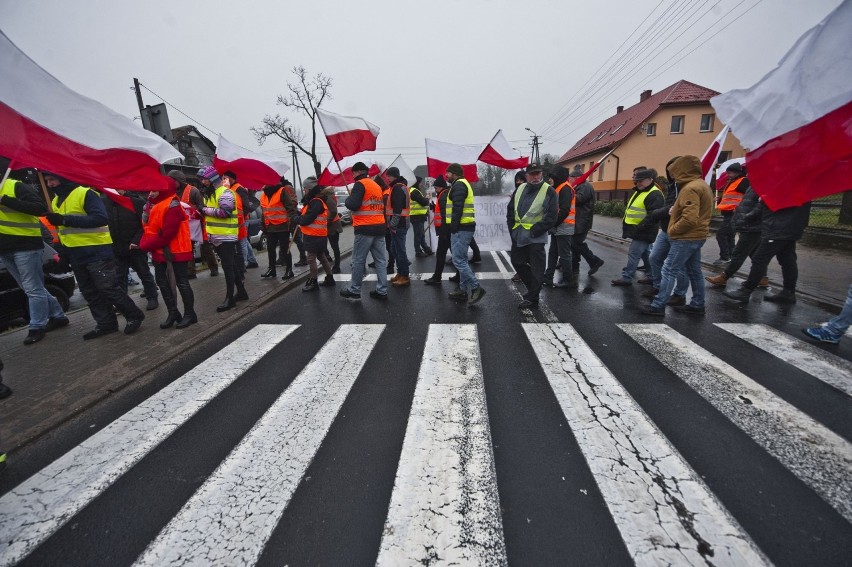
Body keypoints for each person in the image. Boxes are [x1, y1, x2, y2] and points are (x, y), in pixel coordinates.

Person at [44, 172, 145, 337]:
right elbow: (63, 232)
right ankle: (106, 324)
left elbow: (100, 218)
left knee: (108, 288)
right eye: (47, 180)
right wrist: (62, 254)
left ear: (63, 178)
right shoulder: (56, 201)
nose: (49, 184)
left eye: (52, 179)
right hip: (76, 254)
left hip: (96, 251)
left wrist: (64, 220)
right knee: (90, 292)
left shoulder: (85, 193)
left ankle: (133, 315)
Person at [0, 161, 68, 345]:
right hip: (4, 250)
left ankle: (36, 326)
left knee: (32, 288)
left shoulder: (13, 185)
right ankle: (58, 315)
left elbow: (39, 208)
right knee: (29, 287)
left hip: (26, 246)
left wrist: (5, 200)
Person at [641, 155, 713, 316]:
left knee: (669, 270)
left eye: (675, 171)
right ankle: (697, 304)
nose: (673, 175)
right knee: (695, 272)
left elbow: (689, 218)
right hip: (697, 236)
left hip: (685, 237)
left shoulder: (689, 188)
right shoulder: (702, 185)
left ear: (683, 170)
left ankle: (658, 305)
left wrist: (672, 230)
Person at [722, 199, 811, 304]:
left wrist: (746, 216)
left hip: (777, 227)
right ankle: (788, 292)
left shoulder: (781, 188)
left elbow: (765, 207)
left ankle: (746, 290)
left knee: (759, 259)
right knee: (787, 260)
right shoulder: (802, 192)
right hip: (791, 228)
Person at [139, 182, 197, 329]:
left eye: (154, 190)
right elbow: (149, 228)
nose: (150, 193)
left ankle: (190, 314)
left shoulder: (173, 204)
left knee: (181, 282)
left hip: (175, 250)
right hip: (160, 251)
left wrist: (146, 245)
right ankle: (173, 312)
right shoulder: (152, 205)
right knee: (162, 282)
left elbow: (168, 232)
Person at [705, 174, 769, 289]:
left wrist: (746, 216)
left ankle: (724, 277)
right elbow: (745, 202)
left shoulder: (760, 186)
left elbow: (760, 206)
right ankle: (763, 278)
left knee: (739, 253)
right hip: (749, 224)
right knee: (755, 254)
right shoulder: (752, 185)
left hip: (752, 226)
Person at [506, 162, 556, 308]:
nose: (535, 177)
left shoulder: (549, 191)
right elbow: (510, 210)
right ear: (527, 175)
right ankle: (534, 289)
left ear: (541, 174)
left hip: (536, 237)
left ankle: (532, 298)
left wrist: (535, 230)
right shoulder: (520, 188)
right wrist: (512, 229)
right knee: (517, 262)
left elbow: (551, 217)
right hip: (519, 235)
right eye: (532, 174)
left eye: (538, 173)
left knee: (537, 268)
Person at [198, 165, 248, 311]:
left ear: (212, 179)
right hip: (218, 236)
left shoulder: (224, 193)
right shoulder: (213, 194)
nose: (203, 182)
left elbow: (225, 212)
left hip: (226, 236)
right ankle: (242, 292)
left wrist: (204, 210)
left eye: (205, 179)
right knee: (231, 265)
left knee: (228, 268)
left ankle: (230, 298)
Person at [641, 156, 689, 304]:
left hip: (680, 231)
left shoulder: (686, 186)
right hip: (666, 229)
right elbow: (669, 206)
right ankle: (657, 286)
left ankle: (679, 294)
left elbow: (675, 207)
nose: (672, 173)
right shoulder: (672, 185)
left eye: (674, 169)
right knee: (654, 258)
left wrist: (656, 214)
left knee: (678, 266)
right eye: (669, 170)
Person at [104, 189, 159, 311]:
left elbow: (144, 224)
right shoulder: (106, 202)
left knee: (143, 272)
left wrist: (136, 241)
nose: (118, 190)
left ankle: (152, 297)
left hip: (135, 246)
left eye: (120, 187)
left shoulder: (136, 202)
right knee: (120, 277)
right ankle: (123, 304)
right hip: (117, 247)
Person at [341, 162, 389, 300]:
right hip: (379, 226)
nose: (352, 175)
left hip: (365, 228)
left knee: (358, 260)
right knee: (380, 260)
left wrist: (348, 200)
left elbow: (353, 205)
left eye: (353, 173)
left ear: (357, 172)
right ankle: (382, 290)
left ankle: (355, 290)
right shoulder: (376, 186)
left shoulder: (360, 184)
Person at [611, 168, 663, 286]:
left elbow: (652, 216)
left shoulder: (654, 194)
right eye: (637, 180)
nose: (638, 183)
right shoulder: (641, 190)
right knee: (645, 254)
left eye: (641, 181)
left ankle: (627, 277)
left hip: (644, 231)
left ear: (650, 180)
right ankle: (651, 276)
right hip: (640, 230)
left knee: (634, 254)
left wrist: (639, 228)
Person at [445, 163, 486, 305]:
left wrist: (454, 227)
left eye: (448, 173)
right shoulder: (461, 184)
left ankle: (476, 287)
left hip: (461, 228)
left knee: (458, 260)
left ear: (454, 173)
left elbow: (457, 207)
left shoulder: (459, 185)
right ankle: (462, 290)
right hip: (463, 227)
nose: (446, 175)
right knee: (461, 259)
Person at [169, 170, 216, 278]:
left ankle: (213, 268)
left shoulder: (193, 191)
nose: (171, 183)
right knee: (188, 248)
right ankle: (190, 272)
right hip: (185, 225)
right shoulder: (173, 192)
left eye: (173, 181)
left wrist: (192, 209)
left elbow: (202, 206)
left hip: (198, 223)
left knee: (206, 247)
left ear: (178, 181)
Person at [293, 177, 335, 291]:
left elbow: (307, 219)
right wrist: (299, 214)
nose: (304, 190)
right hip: (319, 235)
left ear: (310, 189)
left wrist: (297, 219)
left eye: (305, 188)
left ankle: (314, 282)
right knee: (322, 257)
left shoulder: (315, 201)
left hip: (314, 235)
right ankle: (330, 278)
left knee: (311, 259)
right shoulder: (316, 201)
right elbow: (307, 215)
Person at [542, 165, 577, 288]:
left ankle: (568, 280)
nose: (550, 180)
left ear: (558, 177)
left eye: (552, 177)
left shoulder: (565, 189)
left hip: (564, 226)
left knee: (564, 255)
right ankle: (548, 277)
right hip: (559, 226)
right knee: (553, 253)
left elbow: (564, 210)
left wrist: (553, 223)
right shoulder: (559, 188)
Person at [568, 166, 605, 276]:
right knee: (574, 244)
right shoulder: (580, 185)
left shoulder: (584, 186)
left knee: (576, 243)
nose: (569, 180)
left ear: (576, 178)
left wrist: (567, 194)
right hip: (579, 220)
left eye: (570, 178)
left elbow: (579, 199)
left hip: (582, 221)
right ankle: (575, 266)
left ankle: (594, 261)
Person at [259, 181, 296, 280]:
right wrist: (263, 224)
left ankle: (289, 270)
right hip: (270, 226)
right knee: (270, 249)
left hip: (283, 226)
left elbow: (290, 208)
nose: (263, 184)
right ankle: (272, 269)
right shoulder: (263, 195)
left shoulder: (281, 191)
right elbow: (264, 211)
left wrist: (291, 222)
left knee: (284, 249)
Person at [222, 170, 258, 270]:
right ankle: (251, 260)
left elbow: (246, 206)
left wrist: (241, 217)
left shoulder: (239, 189)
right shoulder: (231, 188)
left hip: (241, 219)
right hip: (237, 219)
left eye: (225, 178)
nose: (224, 180)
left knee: (242, 242)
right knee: (244, 241)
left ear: (231, 178)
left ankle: (244, 264)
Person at [713, 162, 748, 265]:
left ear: (736, 172)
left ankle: (725, 257)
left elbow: (748, 196)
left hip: (733, 214)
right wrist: (719, 200)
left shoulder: (743, 181)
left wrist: (741, 209)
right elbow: (731, 197)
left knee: (721, 234)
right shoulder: (733, 181)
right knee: (729, 236)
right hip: (729, 213)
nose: (727, 175)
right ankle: (732, 257)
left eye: (730, 173)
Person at [385, 167, 412, 287]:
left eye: (389, 176)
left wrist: (392, 225)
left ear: (395, 176)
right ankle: (401, 272)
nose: (387, 178)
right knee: (395, 249)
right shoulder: (400, 186)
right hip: (400, 223)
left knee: (399, 250)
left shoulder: (397, 188)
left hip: (398, 225)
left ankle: (404, 275)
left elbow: (397, 209)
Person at [423, 175, 452, 285]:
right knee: (453, 255)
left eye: (435, 188)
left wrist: (443, 232)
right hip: (447, 231)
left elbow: (444, 215)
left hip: (445, 232)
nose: (434, 190)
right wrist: (434, 207)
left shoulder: (443, 196)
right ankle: (458, 275)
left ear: (440, 187)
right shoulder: (444, 195)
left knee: (441, 254)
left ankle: (437, 277)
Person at [319, 183, 343, 274]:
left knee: (335, 247)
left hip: (332, 226)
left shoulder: (328, 198)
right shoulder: (326, 197)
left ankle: (337, 266)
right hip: (329, 226)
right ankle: (329, 260)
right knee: (325, 246)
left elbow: (333, 211)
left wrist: (327, 221)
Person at [409, 176, 432, 257]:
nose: (421, 184)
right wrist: (427, 198)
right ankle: (418, 252)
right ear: (416, 183)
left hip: (418, 216)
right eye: (420, 182)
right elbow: (423, 202)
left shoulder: (415, 191)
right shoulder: (414, 192)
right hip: (417, 216)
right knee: (418, 235)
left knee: (421, 234)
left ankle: (426, 249)